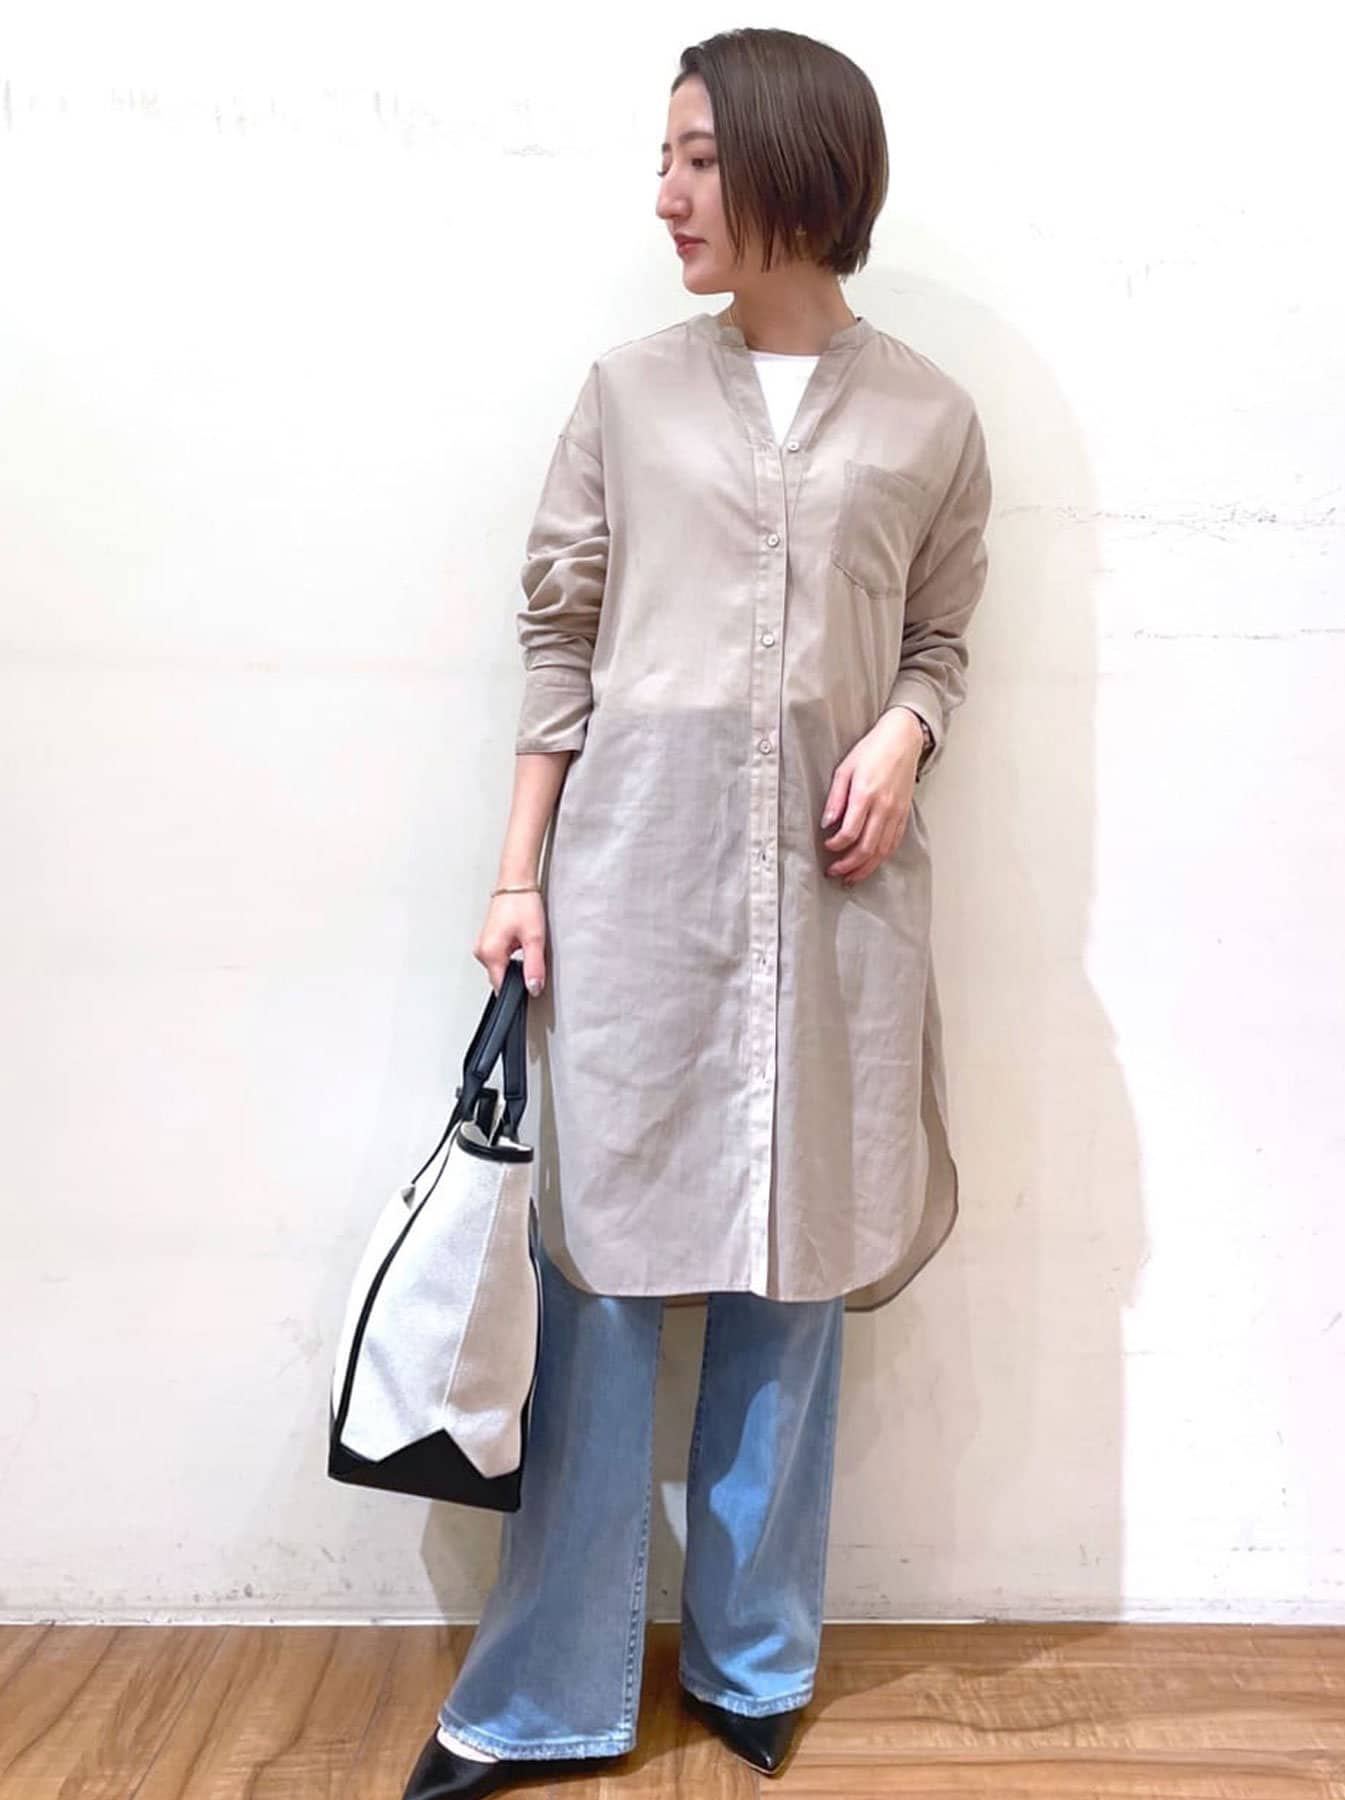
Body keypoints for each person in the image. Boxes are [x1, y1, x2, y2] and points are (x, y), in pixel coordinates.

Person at [400, 25, 992, 1799]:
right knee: (597, 1275)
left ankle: (755, 1659)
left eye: (699, 158)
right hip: (635, 889)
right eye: (665, 158)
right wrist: (518, 874)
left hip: (836, 901)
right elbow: (561, 637)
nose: (665, 194)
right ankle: (548, 1690)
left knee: (793, 1277)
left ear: (799, 166)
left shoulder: (931, 419)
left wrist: (906, 730)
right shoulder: (628, 396)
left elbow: (942, 637)